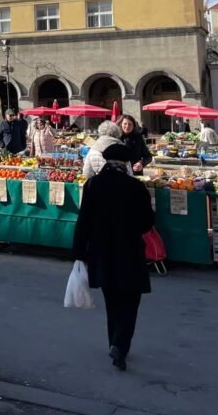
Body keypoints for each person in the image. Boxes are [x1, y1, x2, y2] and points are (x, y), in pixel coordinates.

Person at [72, 142, 154, 372]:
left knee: (112, 302)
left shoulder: (92, 185)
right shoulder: (135, 187)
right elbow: (147, 222)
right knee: (130, 301)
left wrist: (79, 253)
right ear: (126, 164)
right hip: (129, 252)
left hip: (101, 252)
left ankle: (114, 342)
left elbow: (83, 222)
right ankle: (120, 344)